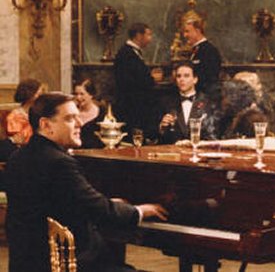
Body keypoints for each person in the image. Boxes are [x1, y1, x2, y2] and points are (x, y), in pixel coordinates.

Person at [5, 92, 167, 272]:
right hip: (69, 265)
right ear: (46, 125)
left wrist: (107, 203)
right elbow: (98, 209)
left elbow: (65, 204)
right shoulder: (59, 162)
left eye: (78, 116)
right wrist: (140, 211)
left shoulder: (17, 157)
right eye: (70, 118)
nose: (80, 123)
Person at [113, 23, 159, 139]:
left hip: (134, 105)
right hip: (130, 106)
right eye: (148, 35)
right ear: (138, 35)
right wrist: (151, 78)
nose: (150, 39)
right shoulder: (126, 54)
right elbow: (131, 81)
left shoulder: (132, 52)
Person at [158, 62, 217, 144]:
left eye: (186, 76)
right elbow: (158, 137)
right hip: (174, 150)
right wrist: (162, 128)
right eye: (179, 76)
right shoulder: (166, 103)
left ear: (195, 79)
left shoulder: (208, 102)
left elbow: (213, 134)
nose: (181, 79)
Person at [183, 17, 223, 103]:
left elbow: (210, 79)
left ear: (197, 31)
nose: (185, 35)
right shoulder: (196, 50)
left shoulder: (210, 51)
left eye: (187, 31)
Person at [6, 78, 44, 146]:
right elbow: (20, 139)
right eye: (38, 94)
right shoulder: (15, 116)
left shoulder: (41, 112)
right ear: (29, 94)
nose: (40, 97)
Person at [74, 78, 107, 149]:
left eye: (82, 94)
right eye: (76, 94)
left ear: (91, 95)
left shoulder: (102, 113)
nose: (78, 97)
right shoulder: (72, 112)